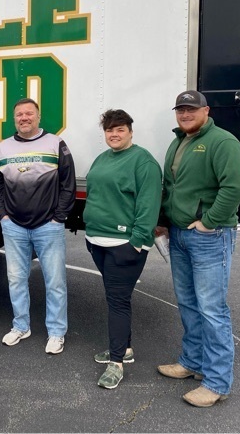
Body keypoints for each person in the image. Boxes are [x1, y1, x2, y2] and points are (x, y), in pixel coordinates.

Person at [157, 90, 240, 407]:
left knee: (212, 310)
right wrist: (164, 220)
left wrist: (210, 221)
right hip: (180, 235)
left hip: (209, 236)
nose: (185, 114)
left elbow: (236, 185)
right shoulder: (178, 141)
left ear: (205, 110)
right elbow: (171, 188)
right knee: (188, 304)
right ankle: (192, 362)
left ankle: (217, 382)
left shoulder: (221, 142)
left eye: (191, 109)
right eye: (181, 109)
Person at [83, 109, 162, 389]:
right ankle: (124, 350)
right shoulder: (103, 159)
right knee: (116, 298)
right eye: (109, 130)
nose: (114, 134)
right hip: (98, 242)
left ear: (130, 130)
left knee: (117, 302)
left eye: (120, 129)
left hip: (123, 246)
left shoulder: (143, 161)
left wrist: (137, 242)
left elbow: (148, 205)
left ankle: (116, 363)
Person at [0, 98, 76, 354]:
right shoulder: (4, 147)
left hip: (47, 226)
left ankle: (56, 332)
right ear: (14, 118)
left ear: (38, 117)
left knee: (55, 282)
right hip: (14, 226)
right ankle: (21, 326)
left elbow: (67, 182)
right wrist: (3, 216)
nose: (24, 118)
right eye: (19, 114)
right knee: (16, 280)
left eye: (29, 113)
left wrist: (59, 216)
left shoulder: (55, 143)